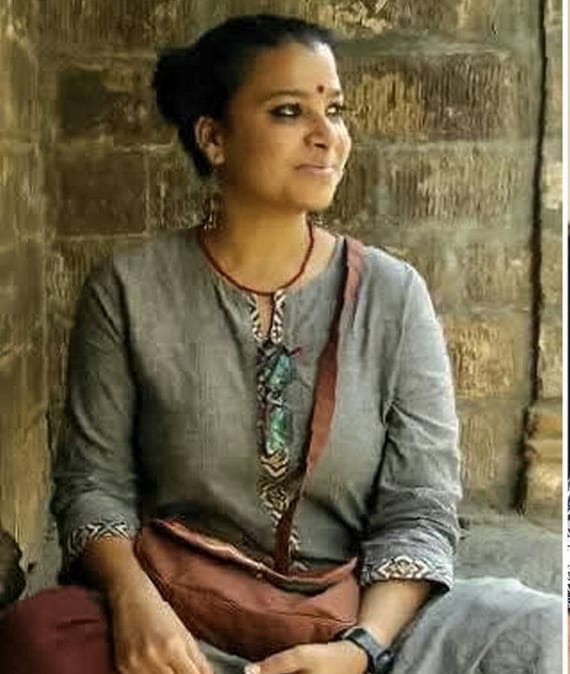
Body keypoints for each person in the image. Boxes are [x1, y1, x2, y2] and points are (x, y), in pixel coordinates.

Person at [0, 13, 562, 674]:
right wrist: (134, 602)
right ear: (214, 137)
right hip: (185, 618)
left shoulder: (393, 294)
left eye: (336, 110)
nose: (328, 135)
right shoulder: (129, 291)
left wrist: (360, 650)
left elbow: (419, 508)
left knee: (544, 635)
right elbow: (93, 486)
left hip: (354, 617)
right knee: (38, 635)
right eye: (290, 111)